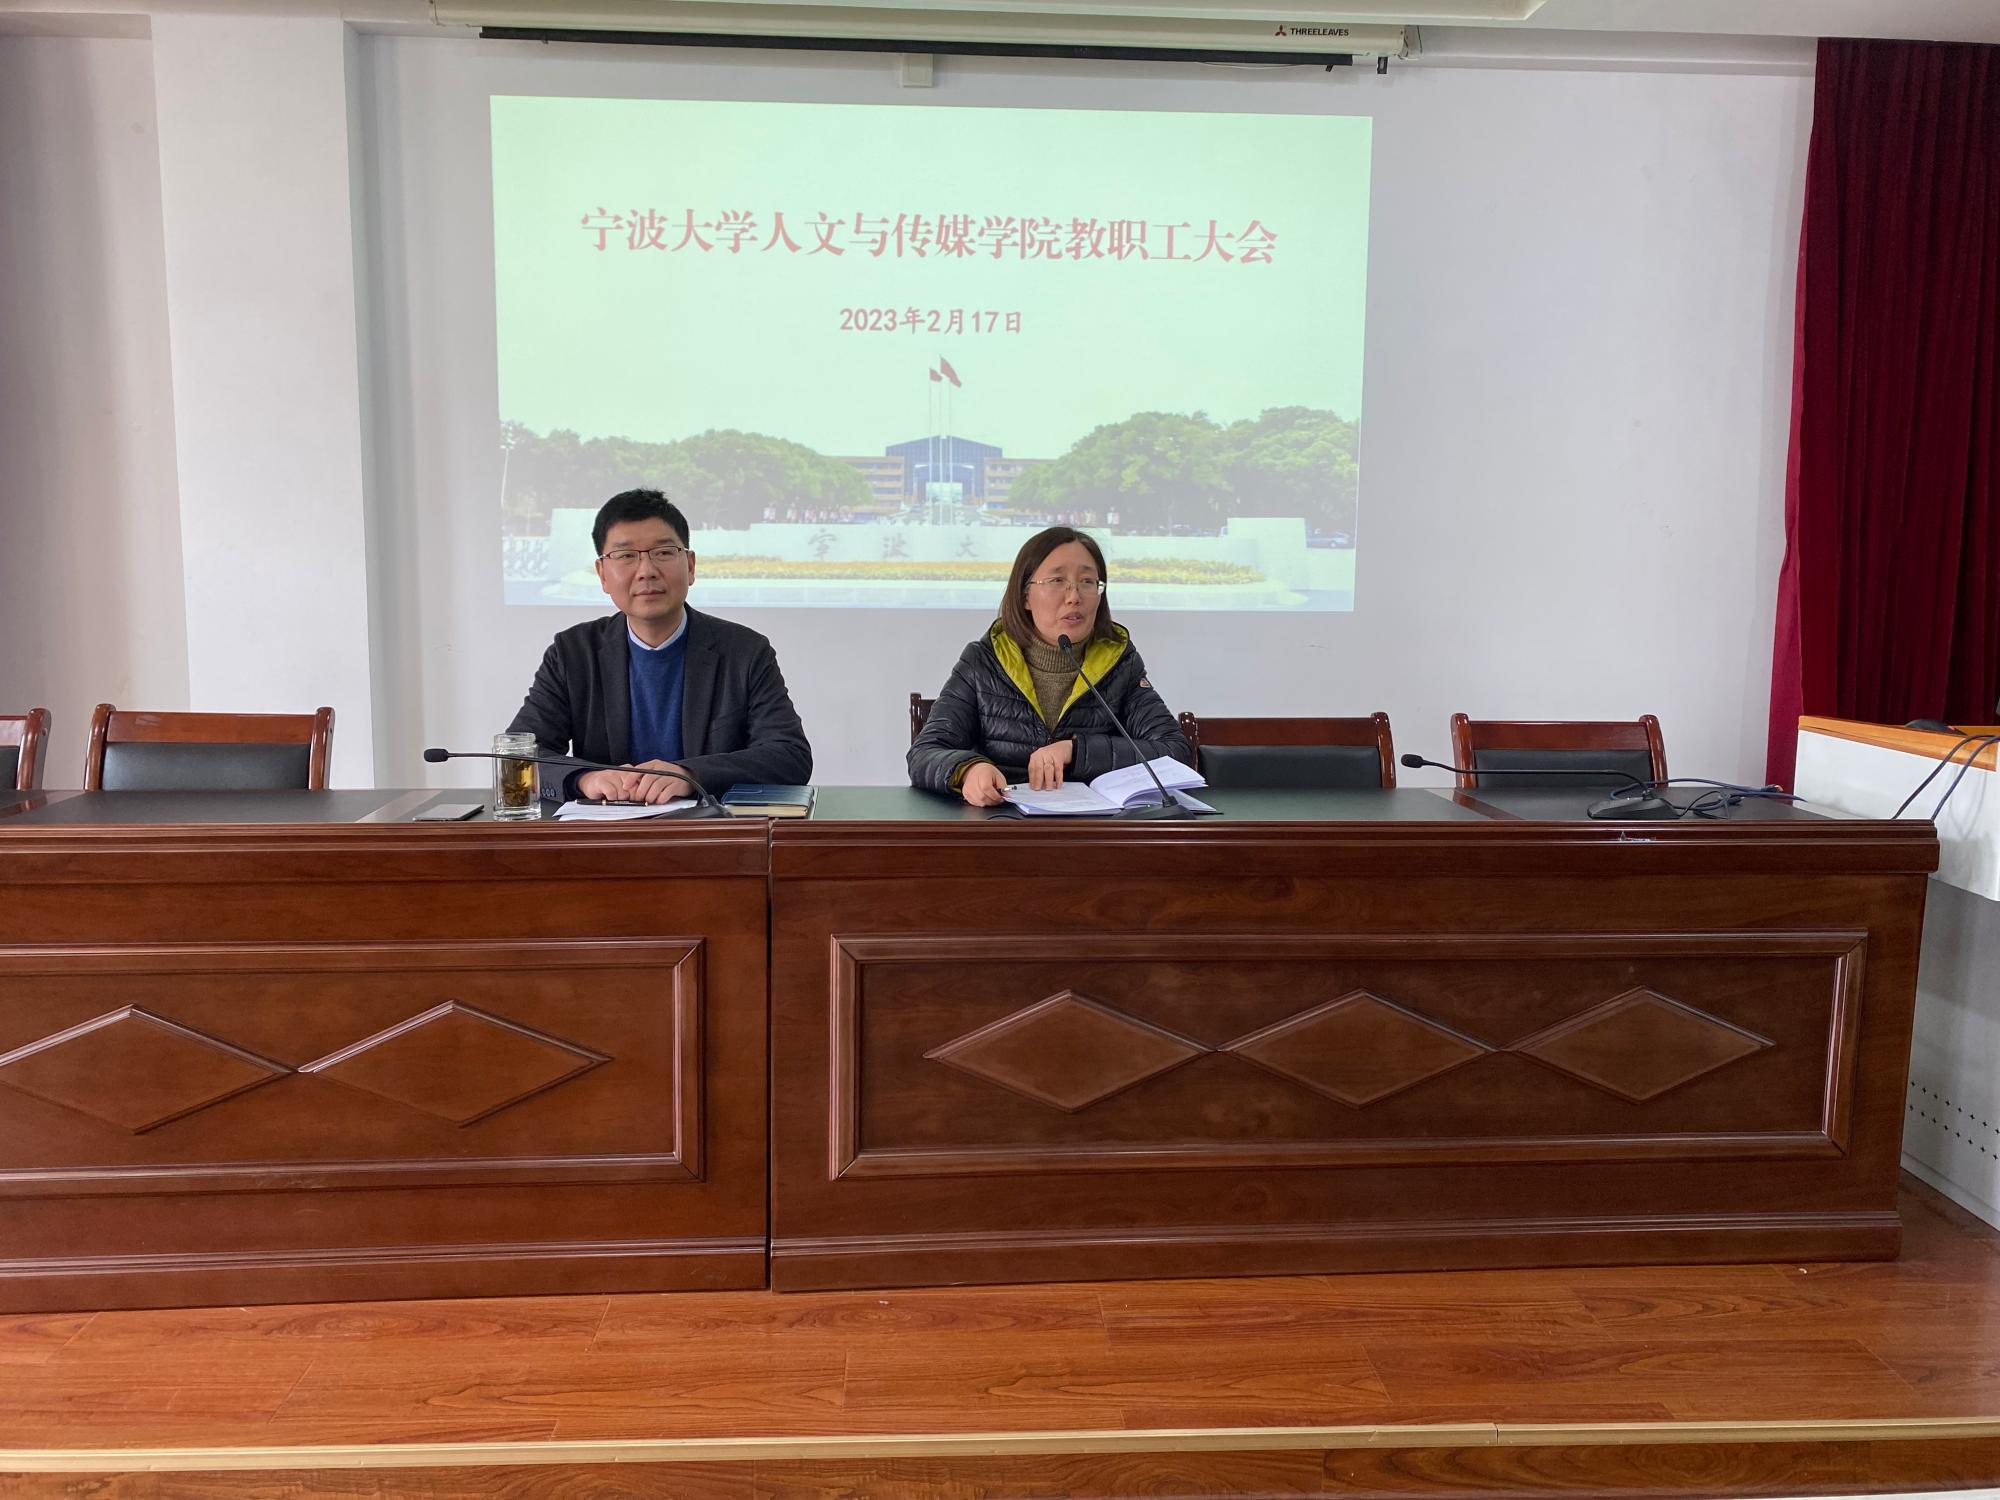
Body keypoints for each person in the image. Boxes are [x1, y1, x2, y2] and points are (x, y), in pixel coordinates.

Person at [509, 489, 811, 804]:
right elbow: (518, 756)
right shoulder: (573, 652)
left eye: (664, 552)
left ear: (690, 566)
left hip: (709, 830)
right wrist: (584, 778)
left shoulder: (745, 651)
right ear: (602, 574)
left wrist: (689, 775)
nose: (646, 571)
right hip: (607, 829)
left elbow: (789, 755)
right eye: (626, 556)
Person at [908, 526, 1191, 806]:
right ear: (1025, 596)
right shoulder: (984, 661)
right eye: (1057, 580)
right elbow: (925, 753)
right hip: (1003, 821)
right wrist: (968, 770)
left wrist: (1077, 751)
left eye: (1087, 581)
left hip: (1095, 827)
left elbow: (1174, 751)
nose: (1074, 596)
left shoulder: (1119, 663)